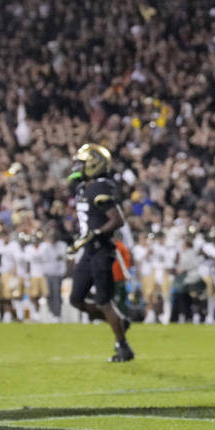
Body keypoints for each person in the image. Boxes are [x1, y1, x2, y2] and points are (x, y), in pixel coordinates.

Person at [66, 143, 133, 361]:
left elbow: (117, 220)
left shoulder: (102, 187)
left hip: (102, 250)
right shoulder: (87, 186)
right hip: (88, 251)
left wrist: (96, 233)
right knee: (76, 299)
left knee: (104, 302)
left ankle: (123, 346)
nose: (78, 167)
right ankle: (119, 322)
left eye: (83, 163)